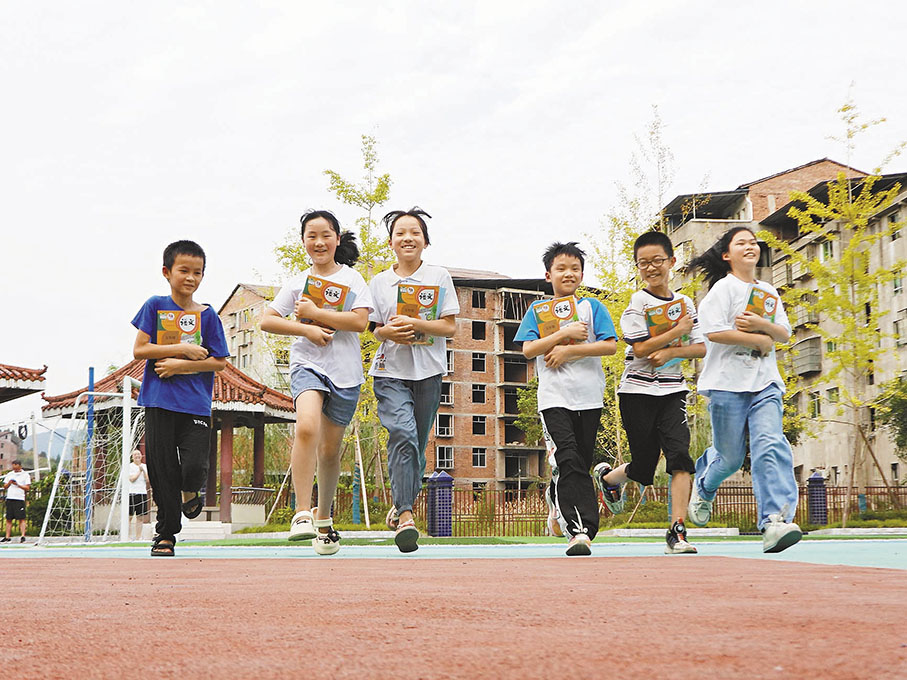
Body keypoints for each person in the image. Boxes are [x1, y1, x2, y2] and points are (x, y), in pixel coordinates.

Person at [261, 210, 373, 555]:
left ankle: (323, 520)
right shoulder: (296, 283)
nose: (319, 242)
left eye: (326, 235)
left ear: (337, 239)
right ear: (304, 242)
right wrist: (306, 329)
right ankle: (301, 513)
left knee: (329, 450)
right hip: (307, 363)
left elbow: (360, 323)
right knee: (306, 427)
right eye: (312, 236)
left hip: (345, 372)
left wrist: (317, 314)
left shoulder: (353, 280)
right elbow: (267, 321)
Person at [686, 226, 801, 553]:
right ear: (727, 254)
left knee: (769, 444)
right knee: (731, 459)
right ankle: (706, 483)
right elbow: (713, 331)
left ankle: (774, 521)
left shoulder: (768, 290)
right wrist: (756, 339)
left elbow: (784, 333)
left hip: (765, 384)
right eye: (742, 243)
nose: (750, 246)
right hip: (727, 385)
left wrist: (763, 329)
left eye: (753, 242)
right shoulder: (723, 289)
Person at [593, 230, 706, 555]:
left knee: (680, 458)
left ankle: (678, 531)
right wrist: (675, 334)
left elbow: (699, 348)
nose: (652, 268)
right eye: (644, 263)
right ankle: (609, 480)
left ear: (671, 262)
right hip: (636, 393)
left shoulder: (685, 304)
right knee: (643, 468)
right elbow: (640, 348)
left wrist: (672, 352)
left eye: (657, 261)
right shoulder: (637, 303)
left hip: (673, 392)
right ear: (638, 268)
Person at [515, 242, 617, 556]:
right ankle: (580, 529)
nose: (568, 273)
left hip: (588, 396)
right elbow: (529, 350)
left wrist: (570, 350)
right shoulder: (538, 311)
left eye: (574, 268)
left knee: (580, 462)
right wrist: (561, 334)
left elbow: (610, 346)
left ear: (582, 274)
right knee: (569, 456)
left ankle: (556, 496)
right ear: (549, 275)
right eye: (561, 268)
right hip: (553, 397)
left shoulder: (593, 308)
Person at [368, 207, 459, 553]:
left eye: (415, 232)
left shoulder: (438, 277)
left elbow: (449, 326)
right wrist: (388, 331)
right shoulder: (379, 282)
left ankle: (399, 501)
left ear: (425, 240)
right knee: (402, 434)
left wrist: (418, 325)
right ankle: (406, 515)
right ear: (391, 241)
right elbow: (375, 329)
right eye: (400, 233)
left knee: (416, 449)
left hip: (429, 373)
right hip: (390, 372)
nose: (408, 238)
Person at [132, 240, 229, 557]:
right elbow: (141, 350)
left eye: (197, 272)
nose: (191, 277)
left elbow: (219, 361)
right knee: (162, 471)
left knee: (193, 465)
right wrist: (181, 348)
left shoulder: (208, 316)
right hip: (159, 402)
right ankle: (166, 534)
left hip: (196, 404)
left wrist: (182, 364)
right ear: (167, 272)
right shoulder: (155, 305)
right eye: (184, 270)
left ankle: (191, 490)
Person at [2, 460, 31, 543]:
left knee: (21, 518)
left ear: (20, 466)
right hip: (10, 498)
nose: (14, 468)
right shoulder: (10, 474)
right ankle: (7, 536)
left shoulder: (25, 475)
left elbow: (27, 487)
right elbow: (5, 486)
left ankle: (22, 536)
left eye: (16, 467)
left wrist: (18, 484)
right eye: (13, 467)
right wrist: (10, 483)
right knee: (9, 518)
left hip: (19, 498)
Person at [128, 450, 151, 541]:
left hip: (142, 493)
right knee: (129, 517)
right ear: (132, 457)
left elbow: (148, 480)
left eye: (138, 454)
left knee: (140, 518)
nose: (137, 456)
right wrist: (139, 471)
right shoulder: (129, 466)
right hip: (132, 493)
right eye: (135, 455)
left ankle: (138, 537)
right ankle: (128, 536)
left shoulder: (145, 466)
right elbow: (132, 479)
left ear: (141, 456)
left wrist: (143, 471)